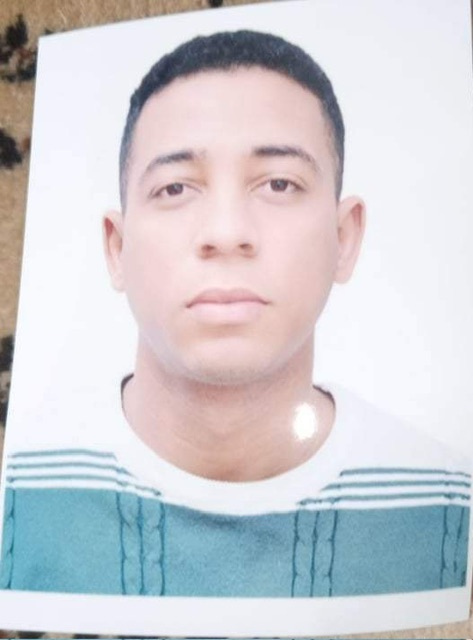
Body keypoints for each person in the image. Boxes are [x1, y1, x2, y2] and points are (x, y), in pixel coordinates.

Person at [0, 30, 470, 598]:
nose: (226, 233)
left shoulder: (449, 502)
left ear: (344, 238)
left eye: (279, 183)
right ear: (116, 248)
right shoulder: (18, 486)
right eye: (175, 188)